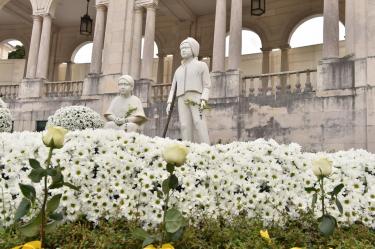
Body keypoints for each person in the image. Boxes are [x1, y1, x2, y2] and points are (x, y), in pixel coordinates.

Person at [166, 37, 211, 144]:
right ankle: (187, 147)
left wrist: (204, 98)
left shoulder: (201, 65)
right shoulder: (178, 70)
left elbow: (207, 85)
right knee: (184, 125)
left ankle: (206, 147)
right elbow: (173, 89)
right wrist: (169, 102)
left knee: (199, 122)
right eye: (181, 48)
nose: (183, 50)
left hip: (196, 97)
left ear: (194, 49)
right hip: (181, 98)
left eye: (186, 48)